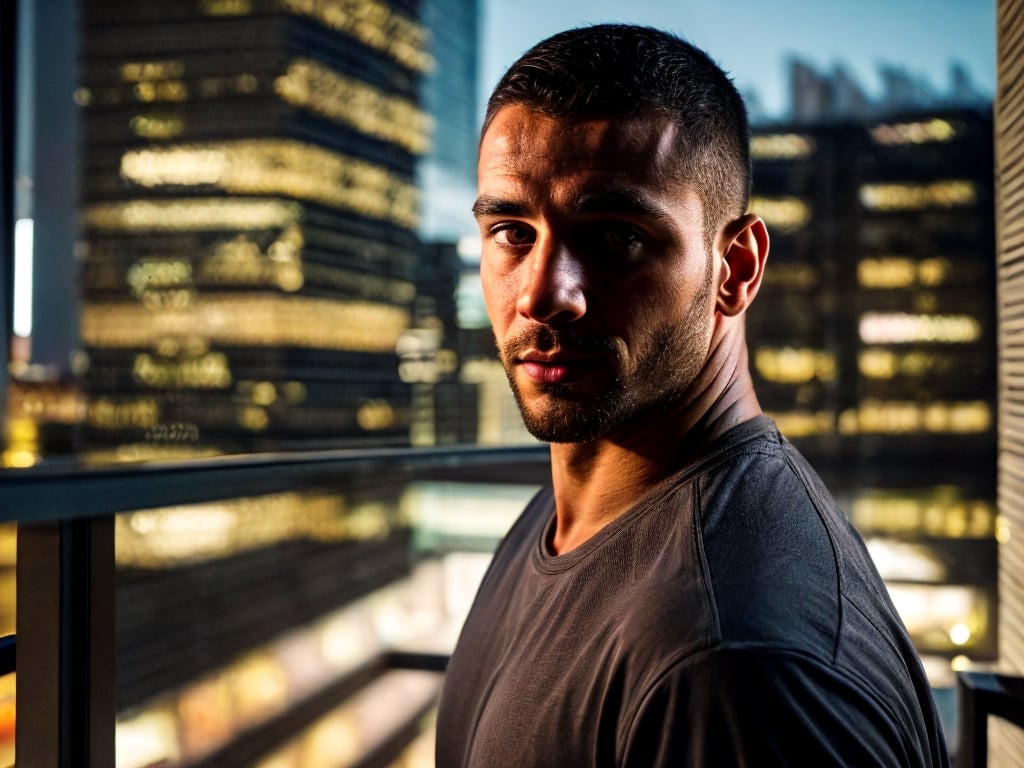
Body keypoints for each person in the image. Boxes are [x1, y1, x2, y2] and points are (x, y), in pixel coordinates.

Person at [434, 23, 951, 768]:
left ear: (735, 267)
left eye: (614, 238)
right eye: (513, 232)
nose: (545, 294)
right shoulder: (573, 506)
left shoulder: (734, 661)